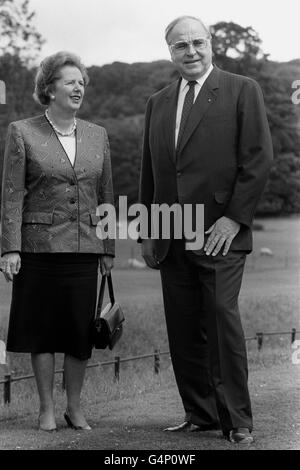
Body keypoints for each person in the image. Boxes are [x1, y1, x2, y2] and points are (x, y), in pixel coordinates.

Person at [139, 16, 273, 443]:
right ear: (170, 51)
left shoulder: (241, 89)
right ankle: (200, 414)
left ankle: (237, 419)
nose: (190, 51)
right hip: (170, 231)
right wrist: (148, 229)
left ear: (211, 44)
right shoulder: (157, 102)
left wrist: (234, 218)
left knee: (220, 319)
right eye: (181, 46)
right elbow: (151, 173)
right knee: (182, 325)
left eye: (198, 42)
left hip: (220, 230)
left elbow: (257, 160)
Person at [0, 52, 114, 431]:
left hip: (84, 248)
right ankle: (46, 409)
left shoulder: (98, 135)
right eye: (69, 81)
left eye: (81, 81)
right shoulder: (22, 131)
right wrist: (10, 247)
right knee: (43, 330)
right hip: (38, 250)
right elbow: (12, 193)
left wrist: (108, 247)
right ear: (49, 89)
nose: (78, 86)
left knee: (80, 333)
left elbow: (106, 193)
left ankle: (75, 408)